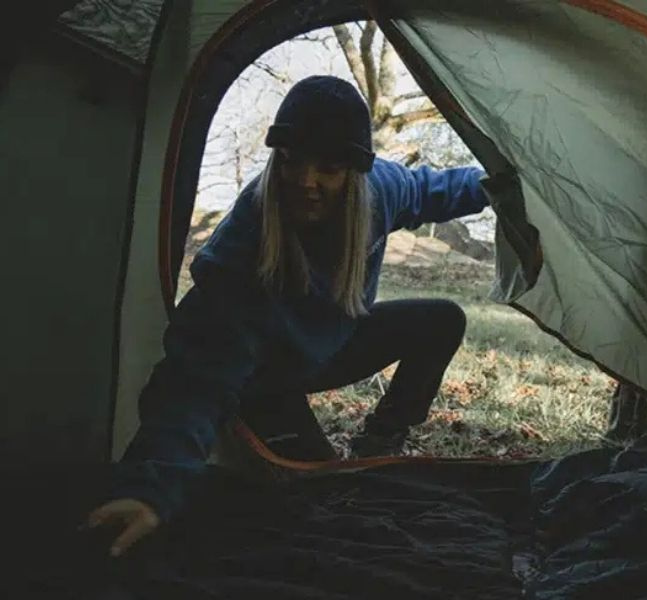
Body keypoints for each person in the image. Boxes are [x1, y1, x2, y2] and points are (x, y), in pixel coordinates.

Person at [84, 75, 491, 557]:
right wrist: (148, 489)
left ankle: (380, 441)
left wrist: (503, 183)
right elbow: (195, 378)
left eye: (328, 168)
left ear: (354, 174)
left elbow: (438, 189)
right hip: (264, 377)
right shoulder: (242, 246)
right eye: (292, 160)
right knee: (320, 495)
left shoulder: (382, 191)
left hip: (335, 345)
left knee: (441, 319)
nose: (305, 181)